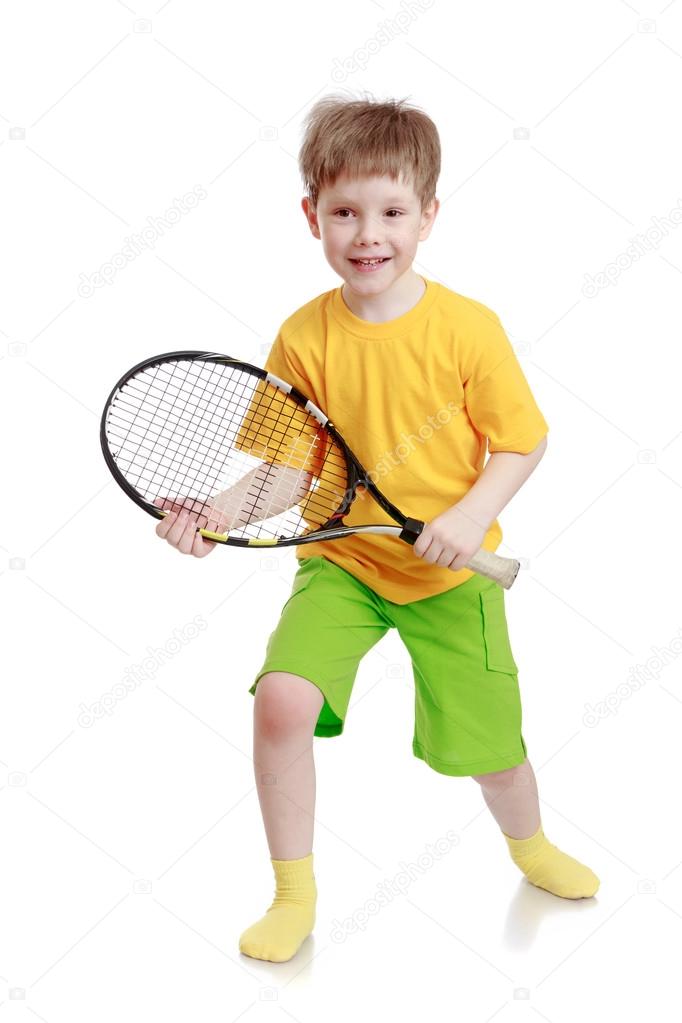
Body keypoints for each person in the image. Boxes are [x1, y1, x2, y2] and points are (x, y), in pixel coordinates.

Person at [155, 94, 600, 963]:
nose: (369, 233)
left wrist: (470, 516)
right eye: (345, 211)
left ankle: (529, 846)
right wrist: (216, 516)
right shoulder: (303, 337)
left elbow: (523, 438)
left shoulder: (469, 329)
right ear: (311, 216)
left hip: (451, 574)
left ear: (428, 216)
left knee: (493, 752)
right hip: (344, 563)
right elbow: (290, 470)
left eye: (392, 211)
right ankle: (293, 894)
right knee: (281, 702)